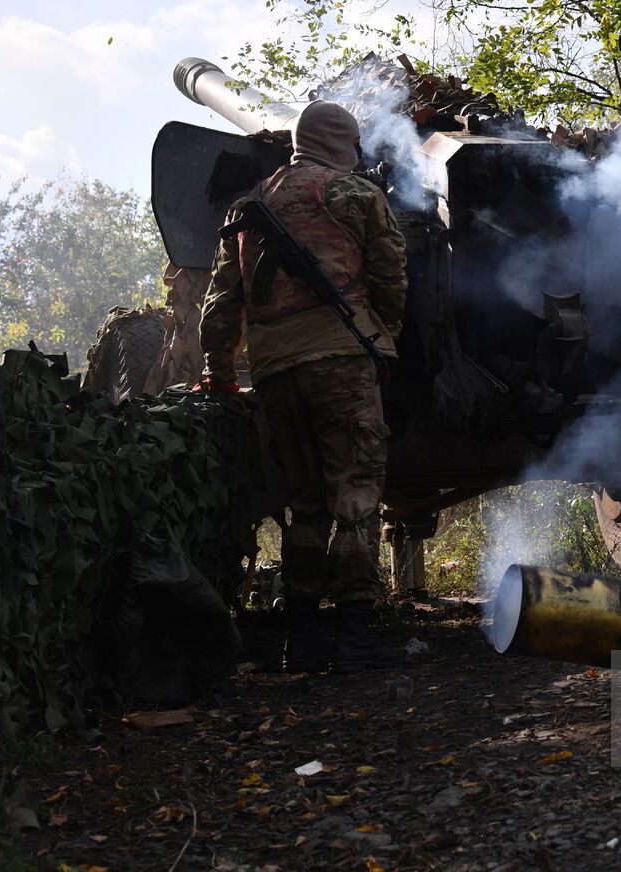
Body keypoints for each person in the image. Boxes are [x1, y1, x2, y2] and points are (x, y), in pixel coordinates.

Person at [196, 100, 408, 673]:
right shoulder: (355, 194)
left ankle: (305, 638)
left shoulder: (249, 206)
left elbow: (220, 305)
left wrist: (219, 371)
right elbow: (391, 274)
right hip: (341, 359)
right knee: (356, 494)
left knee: (306, 501)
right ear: (346, 143)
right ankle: (356, 637)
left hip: (274, 370)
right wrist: (383, 336)